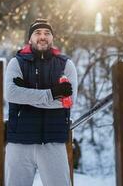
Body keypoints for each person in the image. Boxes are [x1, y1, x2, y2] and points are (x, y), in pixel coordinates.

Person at [4, 18, 78, 186]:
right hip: (19, 142)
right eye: (37, 33)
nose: (42, 36)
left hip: (53, 142)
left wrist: (27, 95)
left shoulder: (66, 65)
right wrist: (52, 93)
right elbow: (11, 94)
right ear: (30, 39)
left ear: (52, 38)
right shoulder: (16, 63)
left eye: (47, 33)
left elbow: (68, 102)